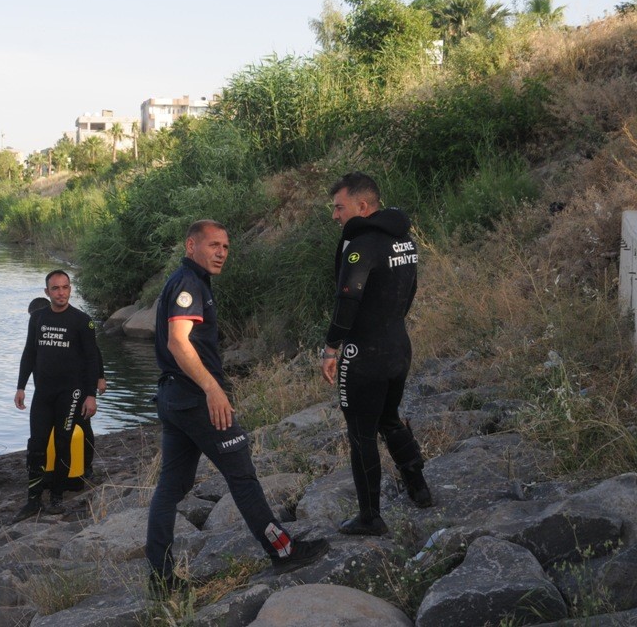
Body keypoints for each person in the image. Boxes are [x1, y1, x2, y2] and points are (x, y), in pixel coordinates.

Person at [146, 220, 330, 594]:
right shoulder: (188, 284)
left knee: (171, 487)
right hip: (196, 399)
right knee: (242, 475)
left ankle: (161, 579)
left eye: (226, 247)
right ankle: (283, 551)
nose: (221, 253)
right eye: (213, 245)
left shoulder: (187, 281)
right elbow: (179, 343)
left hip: (174, 397)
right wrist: (213, 389)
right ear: (190, 245)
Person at [321, 172, 433, 537]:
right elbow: (411, 289)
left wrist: (332, 346)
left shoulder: (361, 243)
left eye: (340, 207)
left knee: (361, 433)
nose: (336, 216)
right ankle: (420, 489)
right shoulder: (403, 239)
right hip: (398, 345)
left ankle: (370, 516)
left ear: (362, 206)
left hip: (364, 352)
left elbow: (348, 297)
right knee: (389, 418)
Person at [14, 271, 101, 520]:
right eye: (56, 289)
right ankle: (33, 500)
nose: (61, 293)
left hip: (71, 393)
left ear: (70, 289)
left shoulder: (82, 321)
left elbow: (92, 358)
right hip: (43, 392)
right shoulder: (38, 318)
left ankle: (56, 497)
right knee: (36, 444)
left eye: (65, 288)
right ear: (47, 292)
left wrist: (91, 395)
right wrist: (21, 386)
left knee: (63, 442)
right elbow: (29, 352)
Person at [27, 295, 104, 482]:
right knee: (52, 430)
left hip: (77, 387)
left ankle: (86, 467)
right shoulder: (39, 326)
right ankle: (51, 468)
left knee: (83, 425)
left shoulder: (76, 322)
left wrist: (99, 378)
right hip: (49, 390)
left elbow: (93, 353)